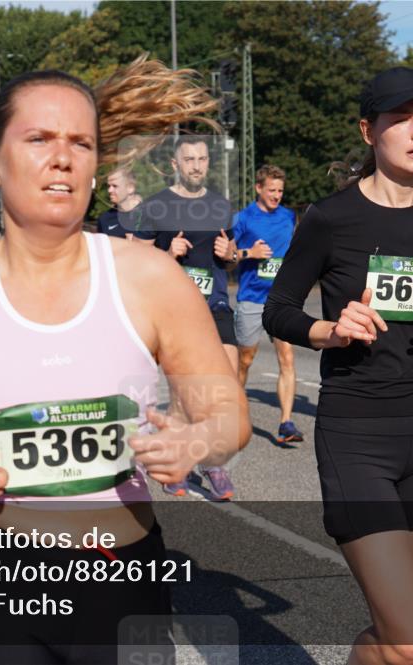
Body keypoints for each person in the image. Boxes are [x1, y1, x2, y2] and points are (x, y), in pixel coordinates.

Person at [0, 59, 248, 664]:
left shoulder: (152, 278)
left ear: (99, 164)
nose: (62, 158)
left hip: (125, 578)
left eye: (81, 143)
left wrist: (196, 442)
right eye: (38, 139)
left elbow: (227, 416)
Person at [263, 66, 413, 665]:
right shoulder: (329, 218)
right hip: (357, 439)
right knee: (404, 639)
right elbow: (280, 310)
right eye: (402, 117)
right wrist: (330, 328)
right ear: (369, 130)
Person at [135, 135, 240, 500]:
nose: (197, 165)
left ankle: (211, 459)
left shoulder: (220, 206)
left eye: (202, 159)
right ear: (174, 166)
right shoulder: (156, 206)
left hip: (215, 305)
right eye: (189, 159)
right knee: (183, 393)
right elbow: (136, 257)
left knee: (224, 384)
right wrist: (168, 251)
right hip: (175, 310)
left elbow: (231, 257)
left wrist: (231, 254)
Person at [232, 165, 303, 444]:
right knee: (245, 360)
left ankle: (286, 423)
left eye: (281, 191)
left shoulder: (288, 217)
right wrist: (251, 252)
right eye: (271, 190)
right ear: (258, 188)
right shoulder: (243, 218)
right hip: (251, 298)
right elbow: (225, 255)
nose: (277, 195)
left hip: (281, 300)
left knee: (287, 358)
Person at [96, 167, 142, 239]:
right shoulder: (104, 219)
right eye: (109, 186)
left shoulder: (150, 216)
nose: (109, 190)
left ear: (130, 188)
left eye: (115, 186)